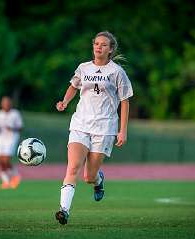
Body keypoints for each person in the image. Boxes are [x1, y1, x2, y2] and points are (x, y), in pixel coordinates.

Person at [54, 31, 133, 224]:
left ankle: (98, 181)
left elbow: (125, 101)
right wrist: (64, 101)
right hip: (80, 124)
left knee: (89, 176)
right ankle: (64, 210)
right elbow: (74, 86)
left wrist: (122, 130)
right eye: (96, 44)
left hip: (105, 127)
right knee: (73, 167)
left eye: (103, 45)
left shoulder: (117, 72)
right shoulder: (83, 68)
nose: (99, 47)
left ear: (111, 49)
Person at [0, 96, 23, 189]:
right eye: (4, 103)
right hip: (1, 139)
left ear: (10, 104)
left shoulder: (15, 114)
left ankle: (16, 176)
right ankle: (6, 181)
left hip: (12, 138)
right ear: (1, 104)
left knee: (6, 159)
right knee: (0, 161)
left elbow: (20, 128)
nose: (6, 104)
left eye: (8, 103)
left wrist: (12, 128)